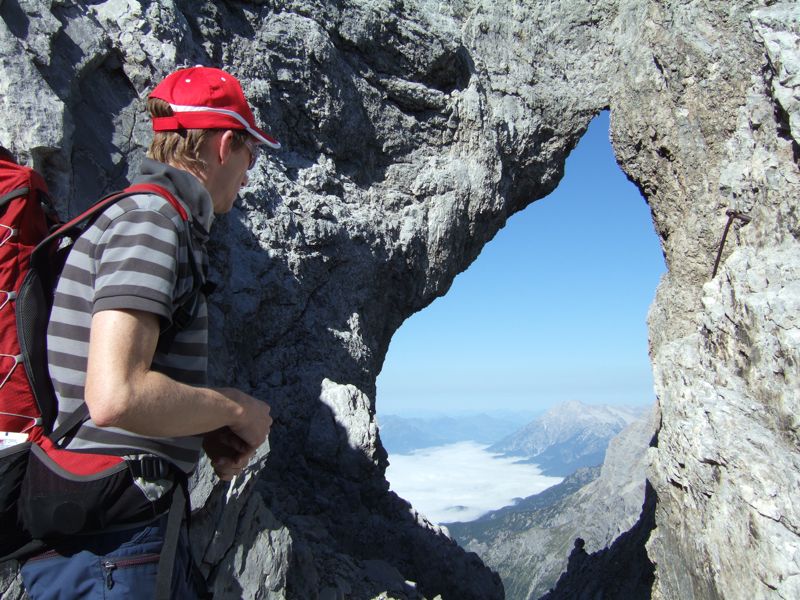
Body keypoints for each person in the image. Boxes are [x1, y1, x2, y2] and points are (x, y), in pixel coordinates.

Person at [19, 66, 278, 599]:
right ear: (224, 145)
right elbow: (116, 395)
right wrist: (235, 410)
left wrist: (201, 425)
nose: (248, 176)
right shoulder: (152, 221)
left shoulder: (148, 216)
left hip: (113, 529)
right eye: (250, 155)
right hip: (111, 546)